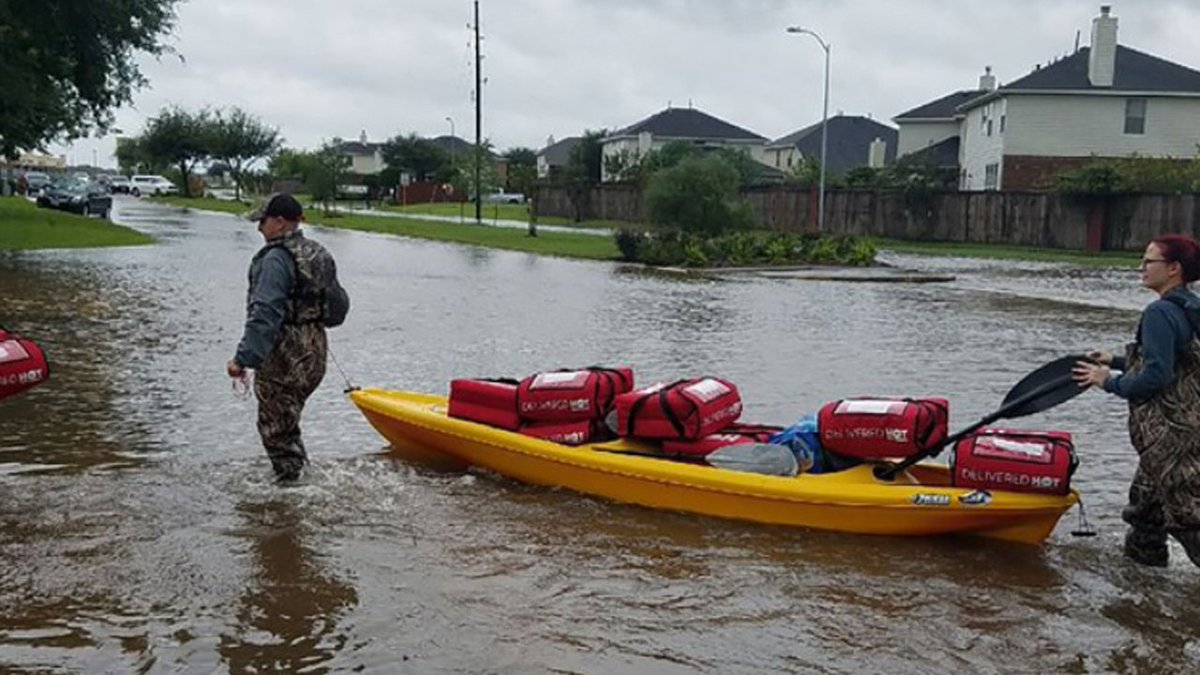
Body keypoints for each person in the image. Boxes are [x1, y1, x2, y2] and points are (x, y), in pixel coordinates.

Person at [1073, 234, 1200, 568]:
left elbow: (1156, 376)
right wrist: (1115, 360)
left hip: (1171, 440)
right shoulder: (1191, 307)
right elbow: (1178, 360)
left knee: (1191, 523)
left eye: (1148, 261)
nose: (1141, 268)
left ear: (1174, 268)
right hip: (1186, 432)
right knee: (1145, 511)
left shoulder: (1160, 312)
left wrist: (1109, 381)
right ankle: (1142, 589)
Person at [227, 194, 350, 482]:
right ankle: (298, 479)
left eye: (263, 221)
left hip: (284, 355)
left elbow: (265, 312)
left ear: (280, 222)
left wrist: (243, 358)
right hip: (315, 353)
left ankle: (290, 500)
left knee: (275, 429)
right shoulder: (319, 253)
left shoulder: (275, 260)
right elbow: (339, 308)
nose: (259, 228)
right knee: (287, 423)